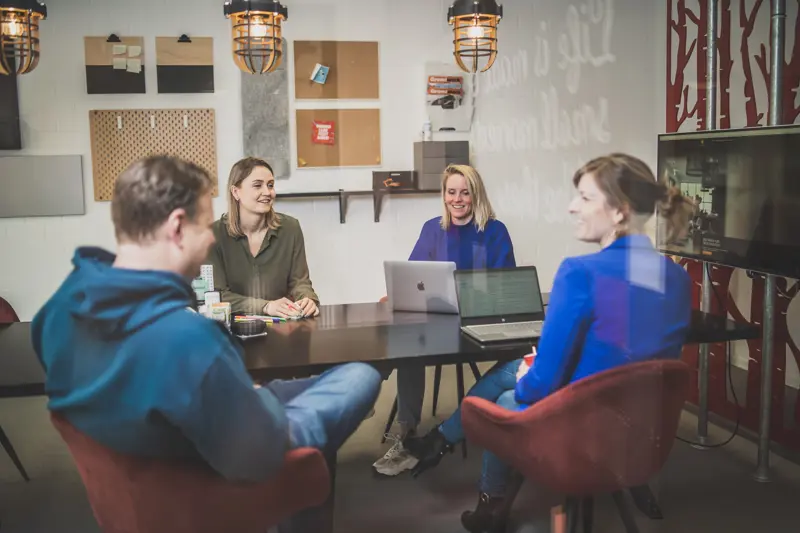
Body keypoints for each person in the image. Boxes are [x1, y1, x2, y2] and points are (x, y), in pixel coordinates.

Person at [31, 156, 382, 533]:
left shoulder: (55, 312)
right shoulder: (189, 341)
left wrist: (237, 390)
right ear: (178, 227)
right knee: (360, 377)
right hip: (226, 465)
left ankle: (254, 396)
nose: (212, 236)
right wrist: (248, 399)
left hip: (169, 441)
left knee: (343, 375)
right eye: (203, 222)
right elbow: (257, 458)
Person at [403, 153, 694, 532]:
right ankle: (446, 449)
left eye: (586, 198)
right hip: (642, 431)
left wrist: (530, 373)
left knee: (502, 397)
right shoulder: (677, 277)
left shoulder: (579, 274)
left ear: (620, 212)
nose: (573, 206)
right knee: (510, 373)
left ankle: (487, 500)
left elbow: (542, 384)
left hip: (578, 430)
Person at [373, 164, 516, 477]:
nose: (458, 199)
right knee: (404, 345)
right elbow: (412, 276)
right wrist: (397, 294)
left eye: (465, 192)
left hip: (477, 325)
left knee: (513, 359)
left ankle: (494, 429)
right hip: (437, 322)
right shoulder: (432, 228)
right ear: (444, 195)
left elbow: (505, 287)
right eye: (451, 192)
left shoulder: (494, 231)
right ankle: (405, 431)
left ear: (475, 195)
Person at [208, 157, 319, 318]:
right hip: (234, 329)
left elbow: (299, 282)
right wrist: (265, 306)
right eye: (257, 185)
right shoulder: (214, 234)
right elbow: (216, 295)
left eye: (270, 185)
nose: (268, 192)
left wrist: (307, 298)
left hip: (283, 326)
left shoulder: (291, 228)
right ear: (235, 192)